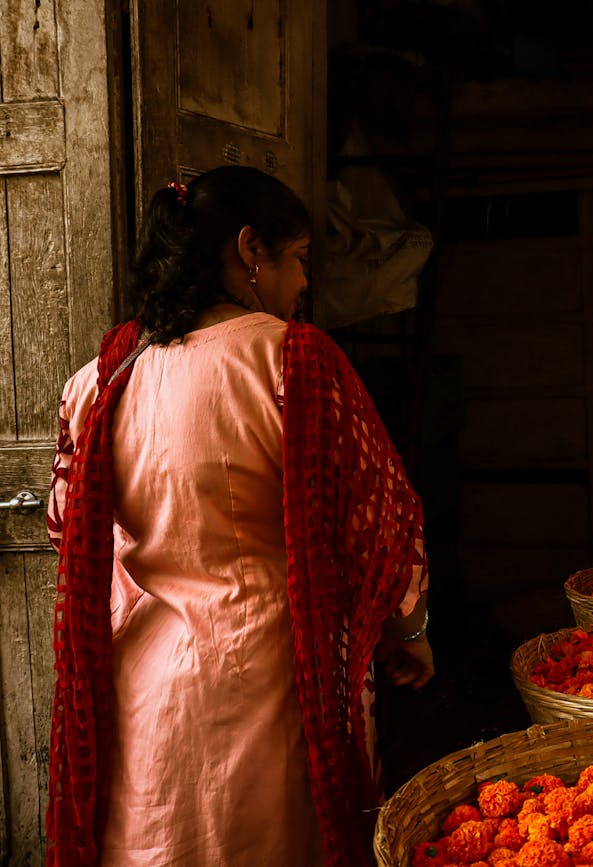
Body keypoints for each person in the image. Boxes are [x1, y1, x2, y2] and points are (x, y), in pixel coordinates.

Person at [45, 166, 435, 867]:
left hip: (143, 689)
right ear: (251, 249)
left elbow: (63, 525)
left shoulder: (101, 378)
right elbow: (378, 520)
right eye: (300, 260)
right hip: (271, 681)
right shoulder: (294, 360)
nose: (303, 285)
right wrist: (410, 628)